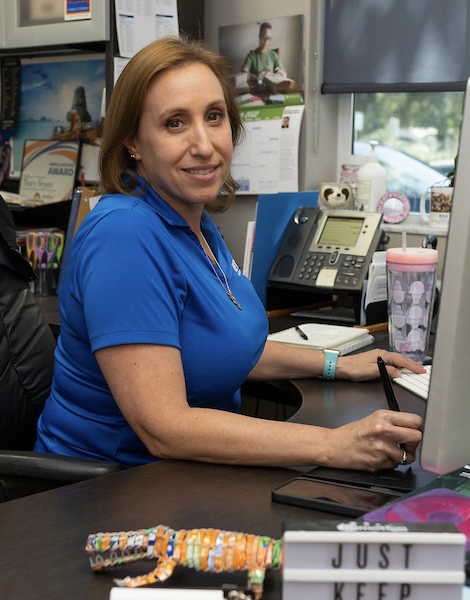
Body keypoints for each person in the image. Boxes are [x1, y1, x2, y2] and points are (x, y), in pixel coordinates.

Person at [34, 36, 425, 473]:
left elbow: (226, 346)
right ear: (133, 142)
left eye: (214, 117)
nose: (204, 144)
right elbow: (165, 428)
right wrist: (334, 443)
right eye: (175, 123)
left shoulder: (191, 221)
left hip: (179, 476)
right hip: (108, 493)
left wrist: (339, 366)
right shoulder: (125, 235)